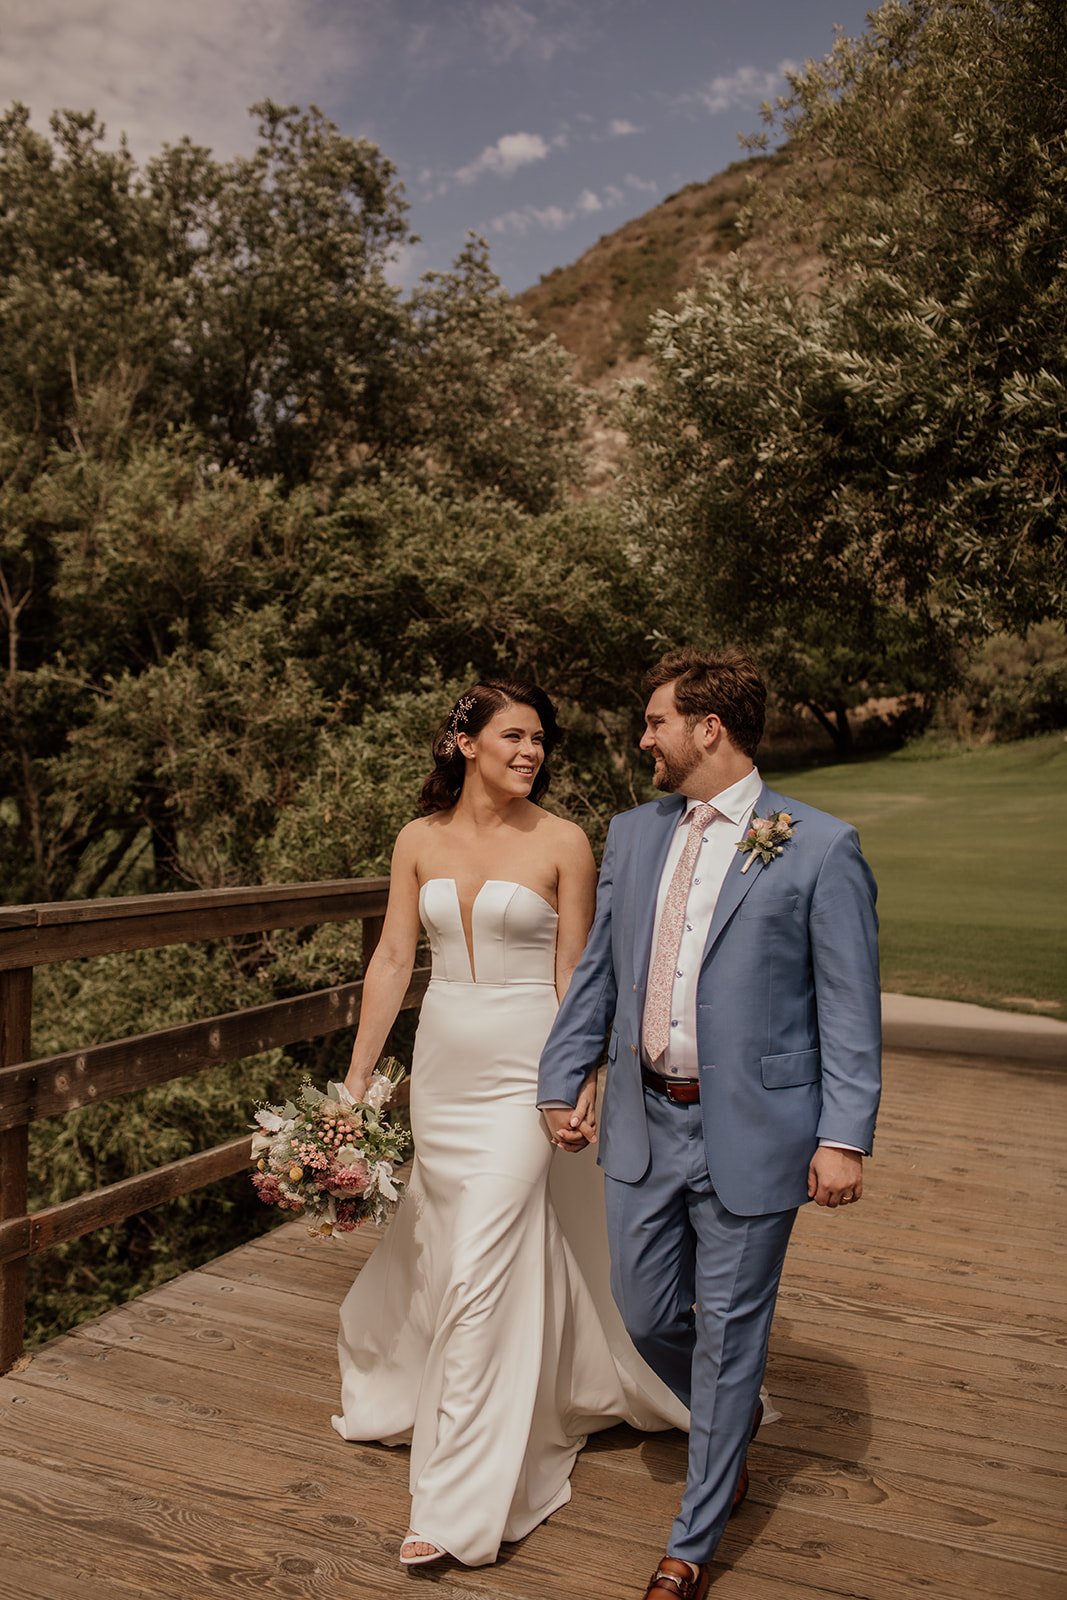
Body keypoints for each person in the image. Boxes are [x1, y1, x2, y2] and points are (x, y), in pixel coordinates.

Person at [538, 647, 882, 1600]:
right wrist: (563, 1077)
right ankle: (729, 1421)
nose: (641, 738)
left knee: (732, 1331)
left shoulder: (816, 844)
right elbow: (602, 971)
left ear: (708, 729)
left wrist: (843, 1135)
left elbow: (848, 1006)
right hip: (645, 1123)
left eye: (654, 722)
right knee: (645, 1311)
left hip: (757, 1129)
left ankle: (690, 1543)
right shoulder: (634, 833)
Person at [331, 678, 689, 1570]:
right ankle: (537, 1383)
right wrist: (356, 1081)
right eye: (514, 737)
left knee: (483, 1257)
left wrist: (584, 1078)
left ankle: (457, 1503)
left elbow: (578, 974)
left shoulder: (565, 840)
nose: (531, 753)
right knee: (451, 1247)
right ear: (464, 743)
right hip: (444, 1068)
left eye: (539, 740)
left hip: (529, 1070)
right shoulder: (417, 839)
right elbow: (390, 958)